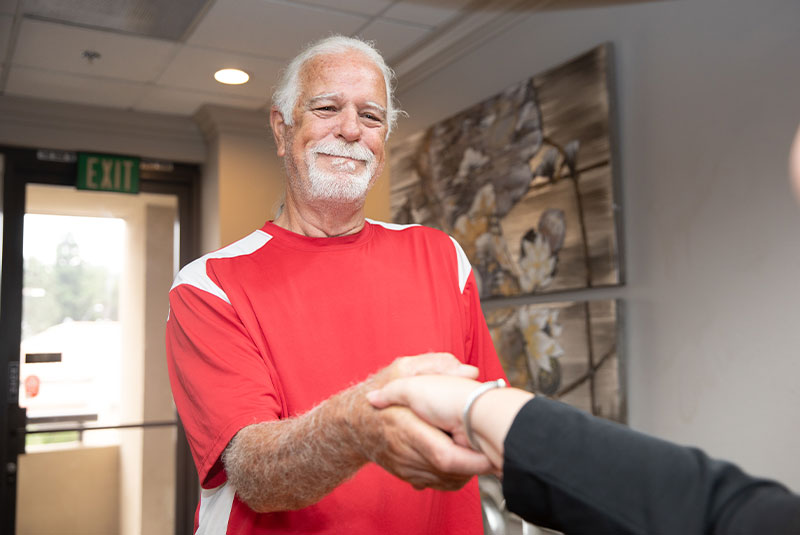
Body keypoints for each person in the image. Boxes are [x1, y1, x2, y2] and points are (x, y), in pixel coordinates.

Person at [165, 35, 507, 534]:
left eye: (371, 117)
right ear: (283, 130)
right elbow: (254, 476)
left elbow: (485, 413)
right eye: (327, 108)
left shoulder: (441, 256)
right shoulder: (208, 285)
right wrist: (362, 422)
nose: (351, 130)